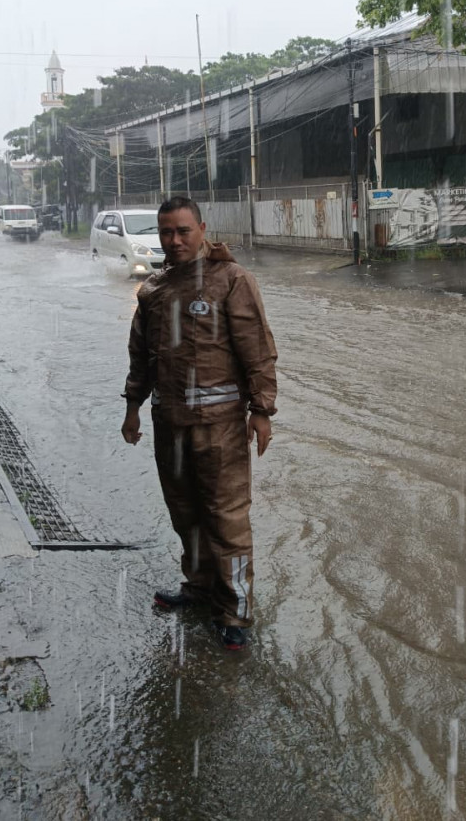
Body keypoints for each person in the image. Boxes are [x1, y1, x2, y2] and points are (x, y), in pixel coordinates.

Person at [121, 196, 277, 651]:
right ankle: (199, 587)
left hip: (220, 429)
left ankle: (236, 612)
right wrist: (133, 406)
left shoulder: (232, 281)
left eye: (183, 231)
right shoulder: (154, 289)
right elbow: (140, 356)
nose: (174, 240)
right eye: (166, 232)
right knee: (185, 513)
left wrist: (261, 411)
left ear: (202, 229)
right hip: (169, 426)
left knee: (226, 521)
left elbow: (257, 350)